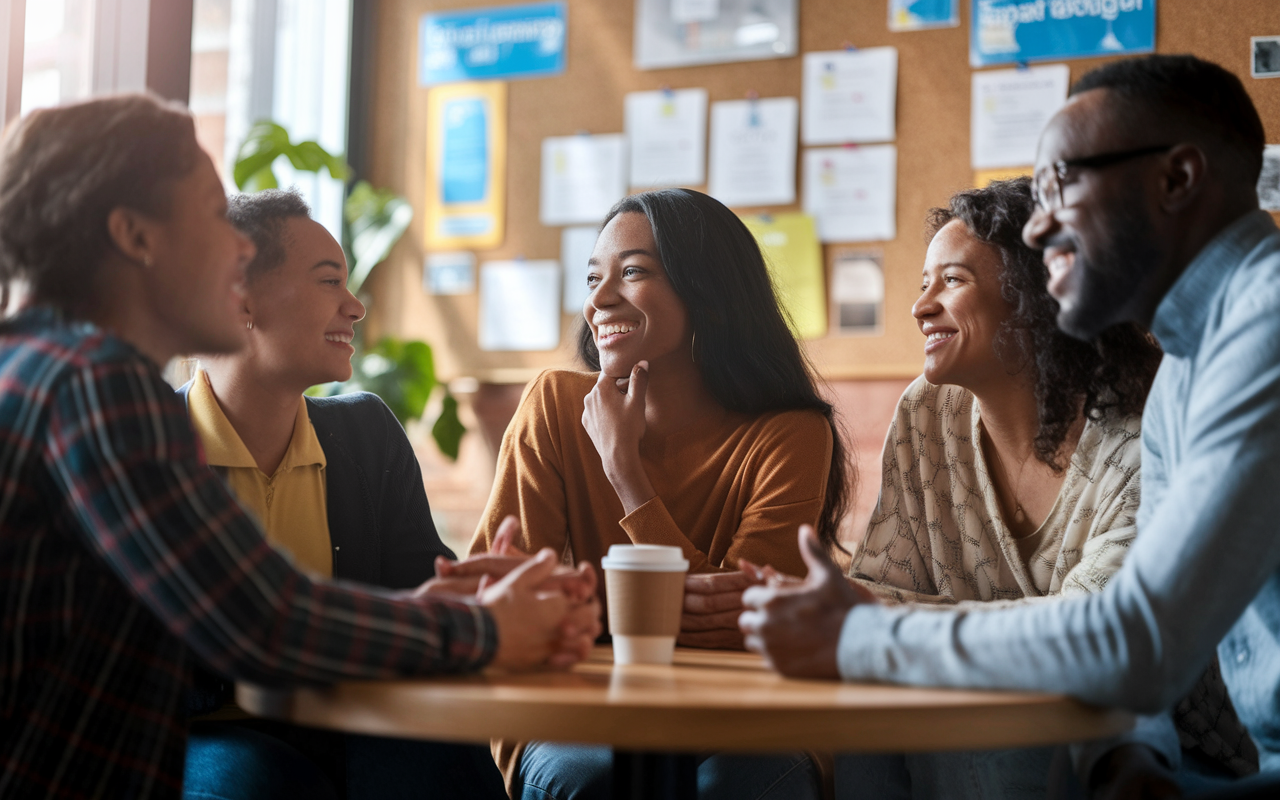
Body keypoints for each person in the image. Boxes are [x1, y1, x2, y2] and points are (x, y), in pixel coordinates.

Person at [0, 93, 599, 800]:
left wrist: (442, 605)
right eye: (210, 214)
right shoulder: (96, 383)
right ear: (136, 236)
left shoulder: (34, 368)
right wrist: (484, 628)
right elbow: (260, 620)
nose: (238, 250)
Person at [739, 54, 1280, 797]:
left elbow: (1133, 635)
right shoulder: (1189, 366)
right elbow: (1137, 651)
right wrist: (1124, 763)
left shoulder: (1265, 330)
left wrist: (866, 634)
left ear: (1176, 180)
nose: (1041, 228)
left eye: (1063, 185)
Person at [468, 188, 851, 798]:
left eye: (634, 272)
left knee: (744, 784)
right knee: (586, 779)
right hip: (582, 707)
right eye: (594, 276)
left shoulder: (792, 433)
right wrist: (656, 605)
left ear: (707, 291)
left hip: (744, 712)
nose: (599, 299)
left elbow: (753, 626)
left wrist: (625, 472)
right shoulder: (555, 405)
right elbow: (498, 593)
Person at [832, 176, 1169, 798]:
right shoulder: (926, 412)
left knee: (985, 736)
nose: (921, 307)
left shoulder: (1142, 428)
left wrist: (884, 622)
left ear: (1038, 297)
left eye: (952, 282)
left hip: (1143, 735)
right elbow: (881, 590)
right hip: (974, 707)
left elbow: (1097, 629)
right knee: (865, 720)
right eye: (923, 284)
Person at [177, 189, 507, 799]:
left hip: (359, 722)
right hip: (205, 735)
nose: (354, 308)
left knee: (446, 768)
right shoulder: (153, 447)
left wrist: (483, 588)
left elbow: (422, 588)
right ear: (240, 298)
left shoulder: (366, 435)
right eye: (330, 281)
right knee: (254, 784)